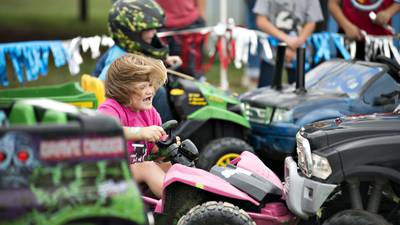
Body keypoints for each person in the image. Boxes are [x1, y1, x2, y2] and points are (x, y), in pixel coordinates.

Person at [93, 0, 182, 122]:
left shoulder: (125, 49)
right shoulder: (118, 59)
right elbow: (105, 85)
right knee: (159, 91)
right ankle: (167, 130)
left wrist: (165, 60)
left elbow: (140, 59)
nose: (154, 33)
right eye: (149, 29)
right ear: (129, 31)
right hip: (125, 110)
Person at [98, 53, 169, 198]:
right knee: (147, 168)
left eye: (150, 85)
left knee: (172, 167)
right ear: (123, 89)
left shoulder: (151, 114)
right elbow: (104, 130)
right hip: (107, 181)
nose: (150, 91)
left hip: (134, 179)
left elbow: (155, 152)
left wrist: (166, 147)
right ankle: (180, 205)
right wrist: (141, 132)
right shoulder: (111, 108)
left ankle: (200, 200)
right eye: (143, 87)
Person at [253, 0, 324, 87]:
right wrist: (287, 40)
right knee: (264, 92)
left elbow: (311, 23)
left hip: (299, 54)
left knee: (300, 94)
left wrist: (297, 43)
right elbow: (261, 21)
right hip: (272, 52)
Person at [328, 0, 400, 59]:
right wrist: (347, 26)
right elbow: (332, 4)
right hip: (350, 42)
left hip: (381, 43)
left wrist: (388, 12)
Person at [155, 0, 207, 79]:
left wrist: (201, 15)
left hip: (191, 25)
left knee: (194, 74)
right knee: (162, 75)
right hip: (161, 27)